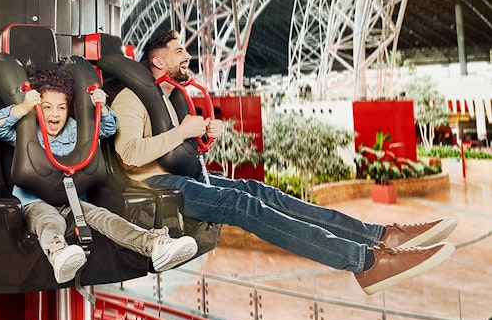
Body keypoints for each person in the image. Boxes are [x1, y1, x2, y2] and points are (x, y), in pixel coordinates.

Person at [111, 29, 457, 295]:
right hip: (152, 187)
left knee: (259, 191)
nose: (187, 56)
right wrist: (182, 132)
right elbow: (128, 156)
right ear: (157, 61)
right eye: (178, 51)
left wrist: (199, 138)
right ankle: (365, 261)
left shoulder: (172, 99)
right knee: (242, 204)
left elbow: (178, 155)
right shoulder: (132, 98)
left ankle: (381, 236)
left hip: (178, 178)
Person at [0, 63, 198, 284]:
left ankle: (153, 245)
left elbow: (107, 129)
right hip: (35, 202)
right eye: (47, 107)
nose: (55, 114)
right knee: (48, 220)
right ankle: (59, 253)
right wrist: (23, 108)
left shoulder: (73, 129)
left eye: (61, 107)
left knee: (104, 217)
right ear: (39, 108)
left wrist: (102, 108)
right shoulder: (27, 130)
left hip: (73, 201)